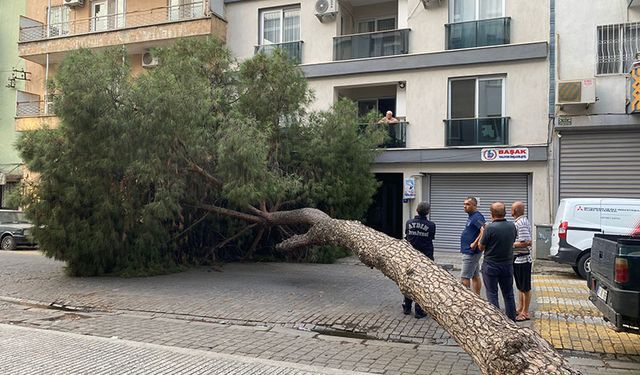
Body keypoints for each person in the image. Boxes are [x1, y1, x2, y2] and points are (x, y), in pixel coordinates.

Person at [478, 202, 518, 321]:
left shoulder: (489, 228)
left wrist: (482, 233)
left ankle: (496, 321)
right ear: (504, 212)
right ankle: (512, 320)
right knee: (509, 294)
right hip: (507, 264)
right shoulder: (512, 226)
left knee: (492, 294)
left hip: (491, 265)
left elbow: (481, 247)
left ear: (492, 214)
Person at [402, 201, 436, 319]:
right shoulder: (431, 225)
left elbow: (407, 237)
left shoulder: (409, 222)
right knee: (422, 284)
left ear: (417, 210)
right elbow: (431, 238)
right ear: (428, 212)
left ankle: (406, 307)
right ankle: (419, 310)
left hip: (411, 257)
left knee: (409, 281)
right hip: (425, 258)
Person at [511, 201, 533, 322]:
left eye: (511, 208)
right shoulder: (520, 221)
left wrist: (510, 243)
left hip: (523, 259)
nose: (510, 210)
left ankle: (525, 312)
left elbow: (526, 242)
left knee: (525, 287)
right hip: (518, 259)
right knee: (520, 287)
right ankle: (520, 308)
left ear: (514, 211)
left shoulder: (521, 222)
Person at [460, 197, 485, 295]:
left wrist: (475, 243)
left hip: (471, 252)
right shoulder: (471, 216)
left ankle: (466, 301)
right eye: (464, 204)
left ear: (475, 205)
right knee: (475, 276)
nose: (465, 206)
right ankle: (477, 298)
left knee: (464, 278)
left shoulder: (477, 216)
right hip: (469, 250)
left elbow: (483, 229)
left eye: (467, 204)